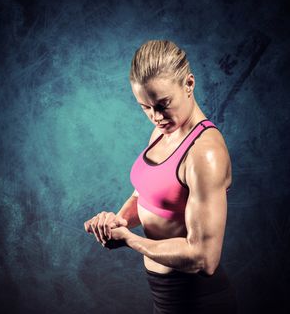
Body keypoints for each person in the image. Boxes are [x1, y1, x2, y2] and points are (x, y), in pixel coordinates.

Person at [84, 40, 238, 314]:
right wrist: (118, 221)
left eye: (163, 104)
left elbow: (204, 258)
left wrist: (130, 239)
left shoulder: (204, 153)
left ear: (188, 84)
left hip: (197, 301)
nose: (155, 117)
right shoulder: (163, 132)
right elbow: (145, 195)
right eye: (145, 107)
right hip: (164, 296)